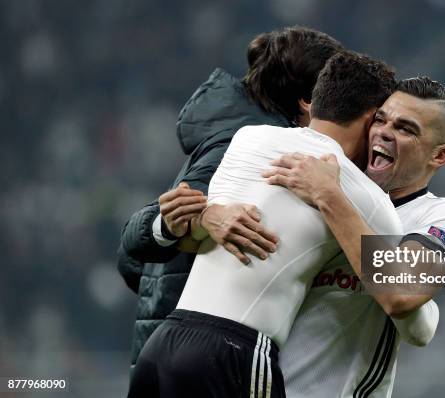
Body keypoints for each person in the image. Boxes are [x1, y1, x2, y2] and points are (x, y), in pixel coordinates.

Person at [127, 51, 402, 398]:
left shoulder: (248, 138)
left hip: (164, 343)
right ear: (369, 119)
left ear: (314, 103)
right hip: (235, 351)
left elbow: (191, 237)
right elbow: (403, 295)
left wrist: (200, 220)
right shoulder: (361, 194)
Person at [204, 76, 445, 397]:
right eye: (380, 119)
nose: (383, 131)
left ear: (439, 156)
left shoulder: (440, 215)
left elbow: (401, 291)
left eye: (405, 128)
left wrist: (329, 196)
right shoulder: (313, 177)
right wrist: (206, 215)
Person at [116, 26, 344, 375]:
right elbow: (406, 293)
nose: (376, 127)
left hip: (184, 355)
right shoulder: (270, 152)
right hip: (210, 361)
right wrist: (198, 225)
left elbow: (134, 265)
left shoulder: (286, 155)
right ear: (308, 102)